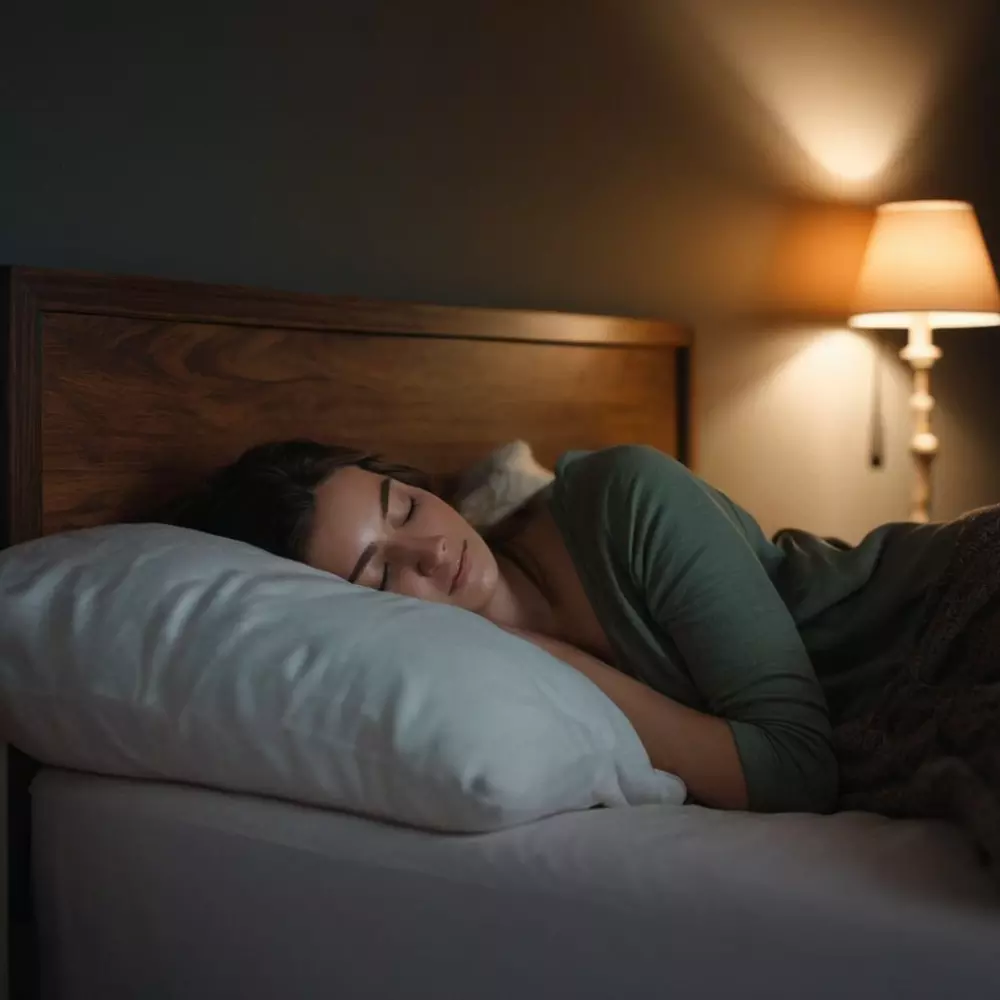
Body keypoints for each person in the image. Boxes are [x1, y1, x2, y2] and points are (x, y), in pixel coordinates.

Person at [168, 441, 999, 858]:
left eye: (405, 505)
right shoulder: (471, 682)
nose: (429, 551)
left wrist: (525, 644)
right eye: (379, 573)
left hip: (945, 599)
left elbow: (794, 769)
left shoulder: (623, 496)